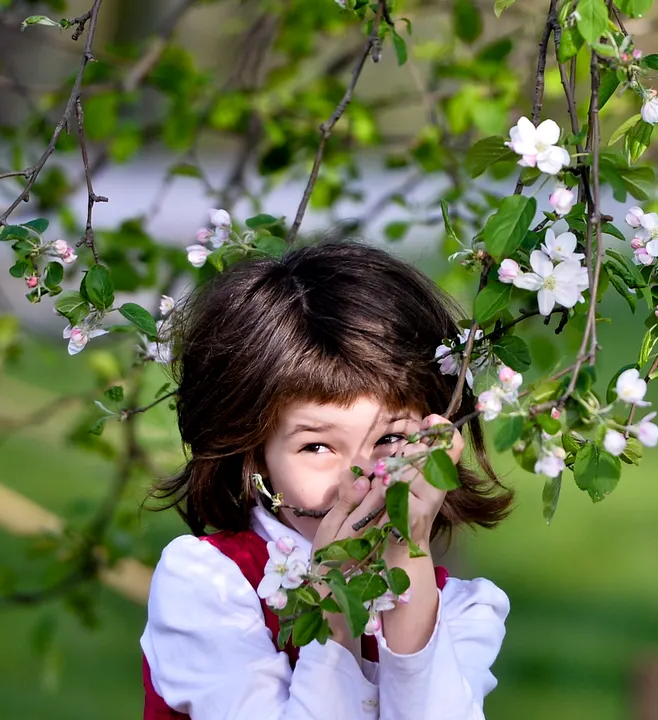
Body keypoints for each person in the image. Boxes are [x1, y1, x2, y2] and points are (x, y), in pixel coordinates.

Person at [139, 240, 515, 719]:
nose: (360, 477)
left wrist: (410, 564)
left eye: (391, 438)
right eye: (316, 446)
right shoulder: (209, 585)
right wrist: (334, 616)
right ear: (255, 456)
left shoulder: (462, 613)